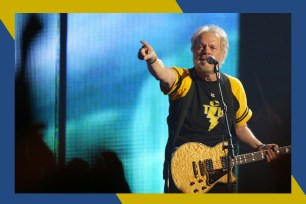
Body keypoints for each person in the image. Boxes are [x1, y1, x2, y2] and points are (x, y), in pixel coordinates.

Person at [138, 25, 280, 193]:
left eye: (212, 47)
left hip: (222, 179)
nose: (205, 51)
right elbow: (163, 74)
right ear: (193, 51)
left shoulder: (233, 86)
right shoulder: (185, 79)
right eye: (200, 46)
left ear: (222, 54)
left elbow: (240, 128)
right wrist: (153, 59)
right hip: (185, 177)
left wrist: (259, 146)